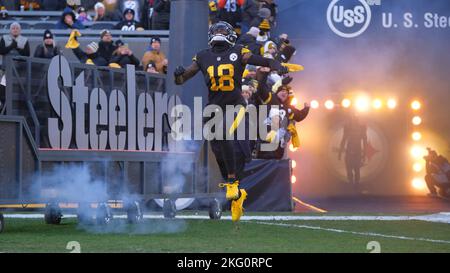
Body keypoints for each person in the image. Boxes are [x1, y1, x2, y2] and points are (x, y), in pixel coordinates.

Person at [174, 21, 287, 222]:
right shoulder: (202, 56)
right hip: (214, 107)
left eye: (222, 30)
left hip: (235, 104)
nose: (218, 33)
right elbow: (182, 80)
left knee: (225, 133)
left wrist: (273, 63)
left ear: (230, 35)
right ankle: (231, 182)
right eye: (216, 30)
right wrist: (177, 74)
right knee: (216, 146)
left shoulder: (238, 51)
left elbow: (255, 58)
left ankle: (233, 179)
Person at [253, 67, 309, 159]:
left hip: (279, 142)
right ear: (277, 92)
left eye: (286, 92)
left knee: (277, 160)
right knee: (264, 158)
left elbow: (299, 116)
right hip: (266, 137)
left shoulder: (288, 108)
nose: (284, 93)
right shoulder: (270, 99)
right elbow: (261, 88)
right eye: (282, 91)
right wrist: (265, 74)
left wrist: (306, 108)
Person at [338, 113, 368, 192]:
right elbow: (344, 139)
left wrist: (364, 154)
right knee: (350, 169)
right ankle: (352, 185)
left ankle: (356, 186)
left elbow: (365, 142)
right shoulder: (347, 128)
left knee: (356, 169)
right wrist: (340, 152)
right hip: (350, 150)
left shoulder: (362, 128)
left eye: (355, 119)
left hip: (357, 151)